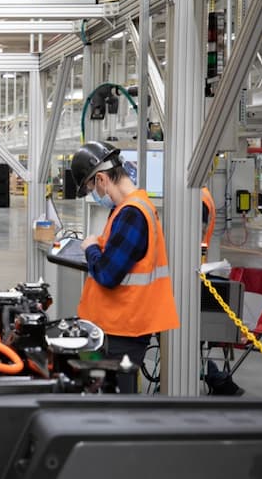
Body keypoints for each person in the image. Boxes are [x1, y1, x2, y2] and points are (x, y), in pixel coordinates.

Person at [71, 141, 179, 393]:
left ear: (100, 179)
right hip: (117, 327)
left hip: (122, 331)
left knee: (115, 405)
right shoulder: (129, 208)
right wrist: (98, 245)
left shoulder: (133, 213)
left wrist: (90, 249)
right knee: (108, 397)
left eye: (90, 188)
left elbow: (108, 274)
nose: (93, 195)